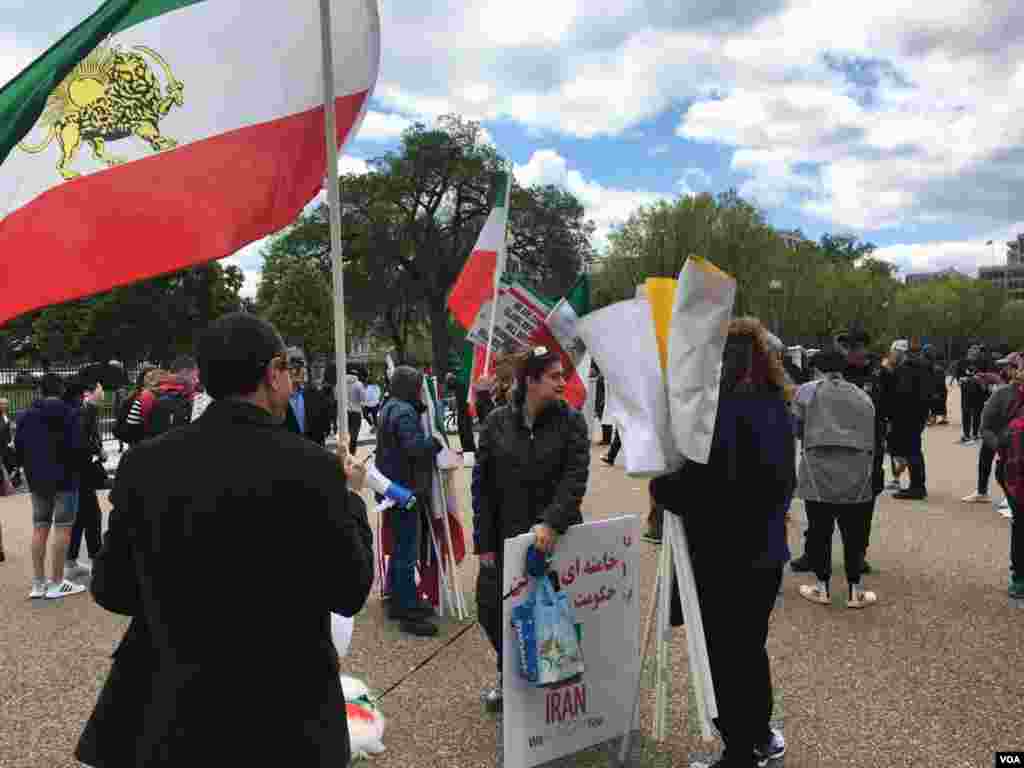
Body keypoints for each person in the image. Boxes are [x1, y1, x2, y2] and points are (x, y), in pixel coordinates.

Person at [75, 313, 374, 768]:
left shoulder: (147, 465)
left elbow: (112, 588)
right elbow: (350, 589)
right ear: (272, 372)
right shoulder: (312, 468)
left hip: (175, 707)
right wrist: (351, 500)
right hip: (287, 711)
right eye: (287, 373)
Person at [651, 318, 793, 767]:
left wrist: (662, 486)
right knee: (749, 649)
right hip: (765, 551)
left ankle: (738, 751)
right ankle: (757, 735)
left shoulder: (726, 412)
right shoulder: (776, 405)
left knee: (727, 656)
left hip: (725, 556)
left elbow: (703, 488)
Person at [472, 346, 590, 713]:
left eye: (562, 376)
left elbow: (575, 478)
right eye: (554, 376)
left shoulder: (572, 422)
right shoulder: (495, 424)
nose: (562, 383)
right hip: (506, 537)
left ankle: (558, 682)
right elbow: (482, 486)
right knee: (491, 608)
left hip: (554, 540)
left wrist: (552, 522)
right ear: (530, 380)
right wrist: (485, 543)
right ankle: (510, 675)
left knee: (550, 611)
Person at [794, 342, 878, 610]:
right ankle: (855, 590)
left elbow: (796, 425)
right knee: (853, 531)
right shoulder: (861, 395)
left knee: (819, 530)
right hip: (855, 470)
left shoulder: (808, 391)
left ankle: (822, 587)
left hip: (818, 468)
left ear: (816, 368)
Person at [376, 365, 444, 637]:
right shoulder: (403, 411)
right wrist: (435, 443)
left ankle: (396, 600)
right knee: (406, 547)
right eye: (417, 387)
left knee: (400, 547)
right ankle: (407, 610)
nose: (420, 392)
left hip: (392, 488)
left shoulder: (391, 406)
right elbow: (415, 448)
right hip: (405, 489)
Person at [14, 373, 87, 599]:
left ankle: (38, 582)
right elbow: (78, 447)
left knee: (40, 527)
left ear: (40, 391)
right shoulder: (70, 414)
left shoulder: (26, 415)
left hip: (38, 479)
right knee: (63, 528)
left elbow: (19, 446)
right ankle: (56, 583)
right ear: (61, 389)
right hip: (65, 478)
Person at [64, 378, 106, 583]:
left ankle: (72, 561)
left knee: (82, 517)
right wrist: (98, 451)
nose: (102, 391)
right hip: (82, 472)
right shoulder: (84, 411)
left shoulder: (78, 410)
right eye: (100, 387)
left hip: (77, 473)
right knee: (92, 517)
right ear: (89, 392)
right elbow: (84, 441)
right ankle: (96, 561)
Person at [884, 339, 933, 500]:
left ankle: (917, 487)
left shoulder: (905, 368)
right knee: (914, 449)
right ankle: (917, 485)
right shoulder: (923, 366)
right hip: (918, 413)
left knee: (912, 450)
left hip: (907, 415)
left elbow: (902, 395)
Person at [284, 348, 331, 446]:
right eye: (292, 367)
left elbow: (324, 426)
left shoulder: (315, 395)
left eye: (300, 367)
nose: (296, 371)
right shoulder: (278, 397)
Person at [445, 371, 475, 454]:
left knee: (465, 430)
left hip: (464, 410)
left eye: (449, 380)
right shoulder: (458, 383)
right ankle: (467, 449)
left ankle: (469, 449)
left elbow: (449, 387)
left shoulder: (459, 383)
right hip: (463, 410)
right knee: (463, 430)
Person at [346, 366, 367, 455]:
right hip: (355, 412)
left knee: (345, 435)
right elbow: (363, 399)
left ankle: (345, 453)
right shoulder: (359, 384)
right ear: (357, 375)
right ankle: (352, 454)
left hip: (344, 412)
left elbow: (336, 396)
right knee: (354, 435)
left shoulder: (341, 383)